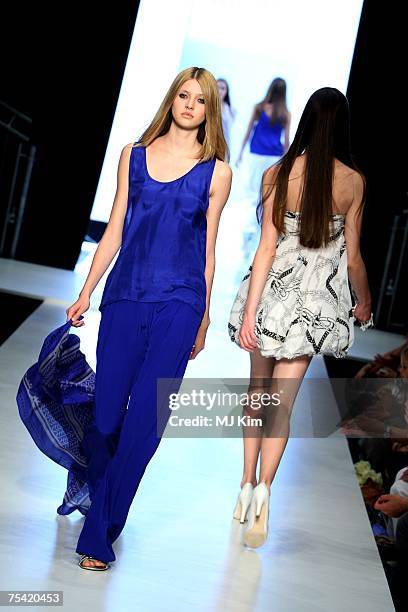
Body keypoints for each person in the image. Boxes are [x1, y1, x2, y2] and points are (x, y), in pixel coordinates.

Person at [65, 66, 232, 569]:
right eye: (183, 96)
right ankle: (96, 499)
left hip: (180, 304)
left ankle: (100, 534)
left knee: (146, 423)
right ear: (171, 99)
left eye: (199, 100)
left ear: (210, 110)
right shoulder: (133, 157)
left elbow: (208, 252)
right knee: (106, 418)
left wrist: (202, 319)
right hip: (125, 298)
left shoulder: (217, 171)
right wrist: (87, 290)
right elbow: (114, 227)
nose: (189, 106)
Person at [228, 87, 373, 548]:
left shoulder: (278, 172)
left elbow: (266, 248)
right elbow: (352, 260)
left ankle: (246, 484)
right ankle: (266, 490)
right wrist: (364, 301)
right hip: (314, 307)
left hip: (271, 299)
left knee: (257, 395)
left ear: (306, 120)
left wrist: (250, 313)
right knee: (282, 407)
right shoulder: (353, 182)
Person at [236, 77, 291, 196]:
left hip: (257, 154)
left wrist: (240, 153)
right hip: (274, 156)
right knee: (268, 192)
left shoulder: (260, 108)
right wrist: (289, 160)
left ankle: (254, 214)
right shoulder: (285, 113)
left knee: (253, 191)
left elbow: (249, 130)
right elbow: (286, 142)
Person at [217, 78, 236, 159]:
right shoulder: (206, 106)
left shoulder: (231, 110)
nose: (219, 90)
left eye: (223, 88)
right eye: (217, 87)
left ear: (226, 91)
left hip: (225, 144)